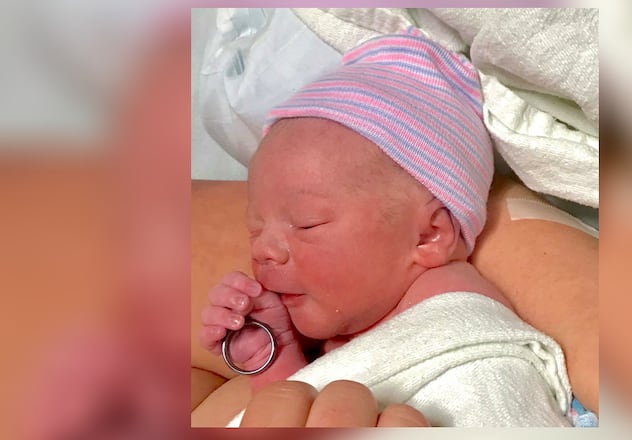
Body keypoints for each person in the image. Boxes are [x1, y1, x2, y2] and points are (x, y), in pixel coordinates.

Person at [198, 28, 573, 427]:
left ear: (429, 235)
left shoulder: (457, 325)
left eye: (307, 224)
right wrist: (269, 356)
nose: (263, 251)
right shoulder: (362, 318)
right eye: (255, 229)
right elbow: (301, 411)